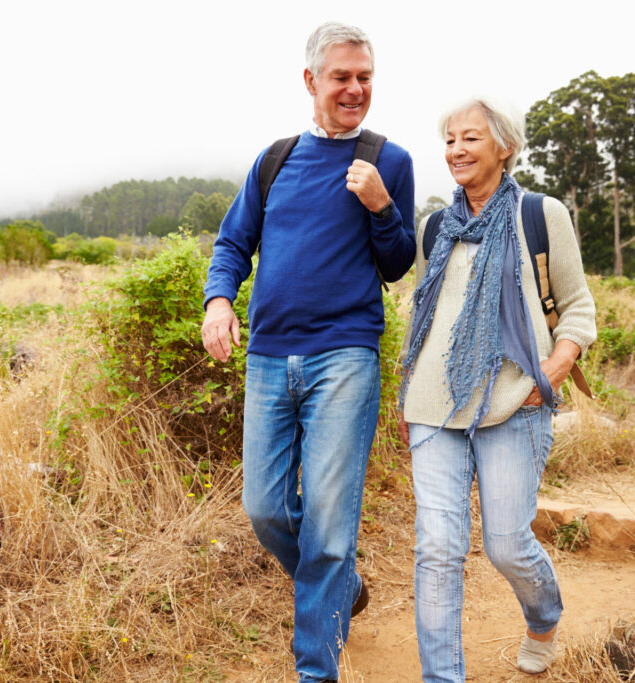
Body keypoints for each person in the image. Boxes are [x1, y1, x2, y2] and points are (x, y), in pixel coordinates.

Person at [201, 21, 415, 683]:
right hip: (268, 356)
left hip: (344, 356)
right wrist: (218, 301)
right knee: (264, 507)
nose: (355, 89)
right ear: (311, 81)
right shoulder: (275, 159)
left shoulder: (390, 159)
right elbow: (234, 243)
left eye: (365, 78)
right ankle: (340, 587)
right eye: (342, 77)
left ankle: (315, 669)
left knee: (327, 520)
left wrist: (382, 207)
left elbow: (397, 262)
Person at [398, 97, 596, 682]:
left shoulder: (540, 214)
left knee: (506, 545)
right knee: (437, 549)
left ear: (504, 147)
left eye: (470, 139)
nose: (456, 150)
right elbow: (423, 314)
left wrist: (552, 372)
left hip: (514, 401)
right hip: (434, 405)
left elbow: (579, 308)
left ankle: (543, 618)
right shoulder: (435, 225)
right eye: (450, 140)